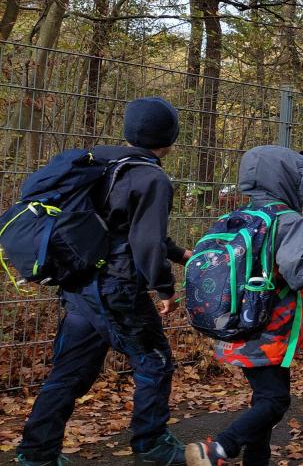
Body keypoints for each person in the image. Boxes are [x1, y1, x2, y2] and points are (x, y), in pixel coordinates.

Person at [16, 97, 188, 466]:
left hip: (80, 285)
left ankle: (36, 452)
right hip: (118, 287)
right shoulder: (151, 176)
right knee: (154, 361)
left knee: (71, 371)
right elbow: (146, 241)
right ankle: (152, 444)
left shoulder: (99, 162)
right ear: (169, 136)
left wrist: (181, 254)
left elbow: (123, 225)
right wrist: (166, 287)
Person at [185, 146, 303, 466]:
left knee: (263, 400)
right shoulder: (287, 220)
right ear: (287, 180)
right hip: (269, 329)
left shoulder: (233, 218)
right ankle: (219, 448)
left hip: (233, 324)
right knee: (276, 401)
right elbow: (301, 273)